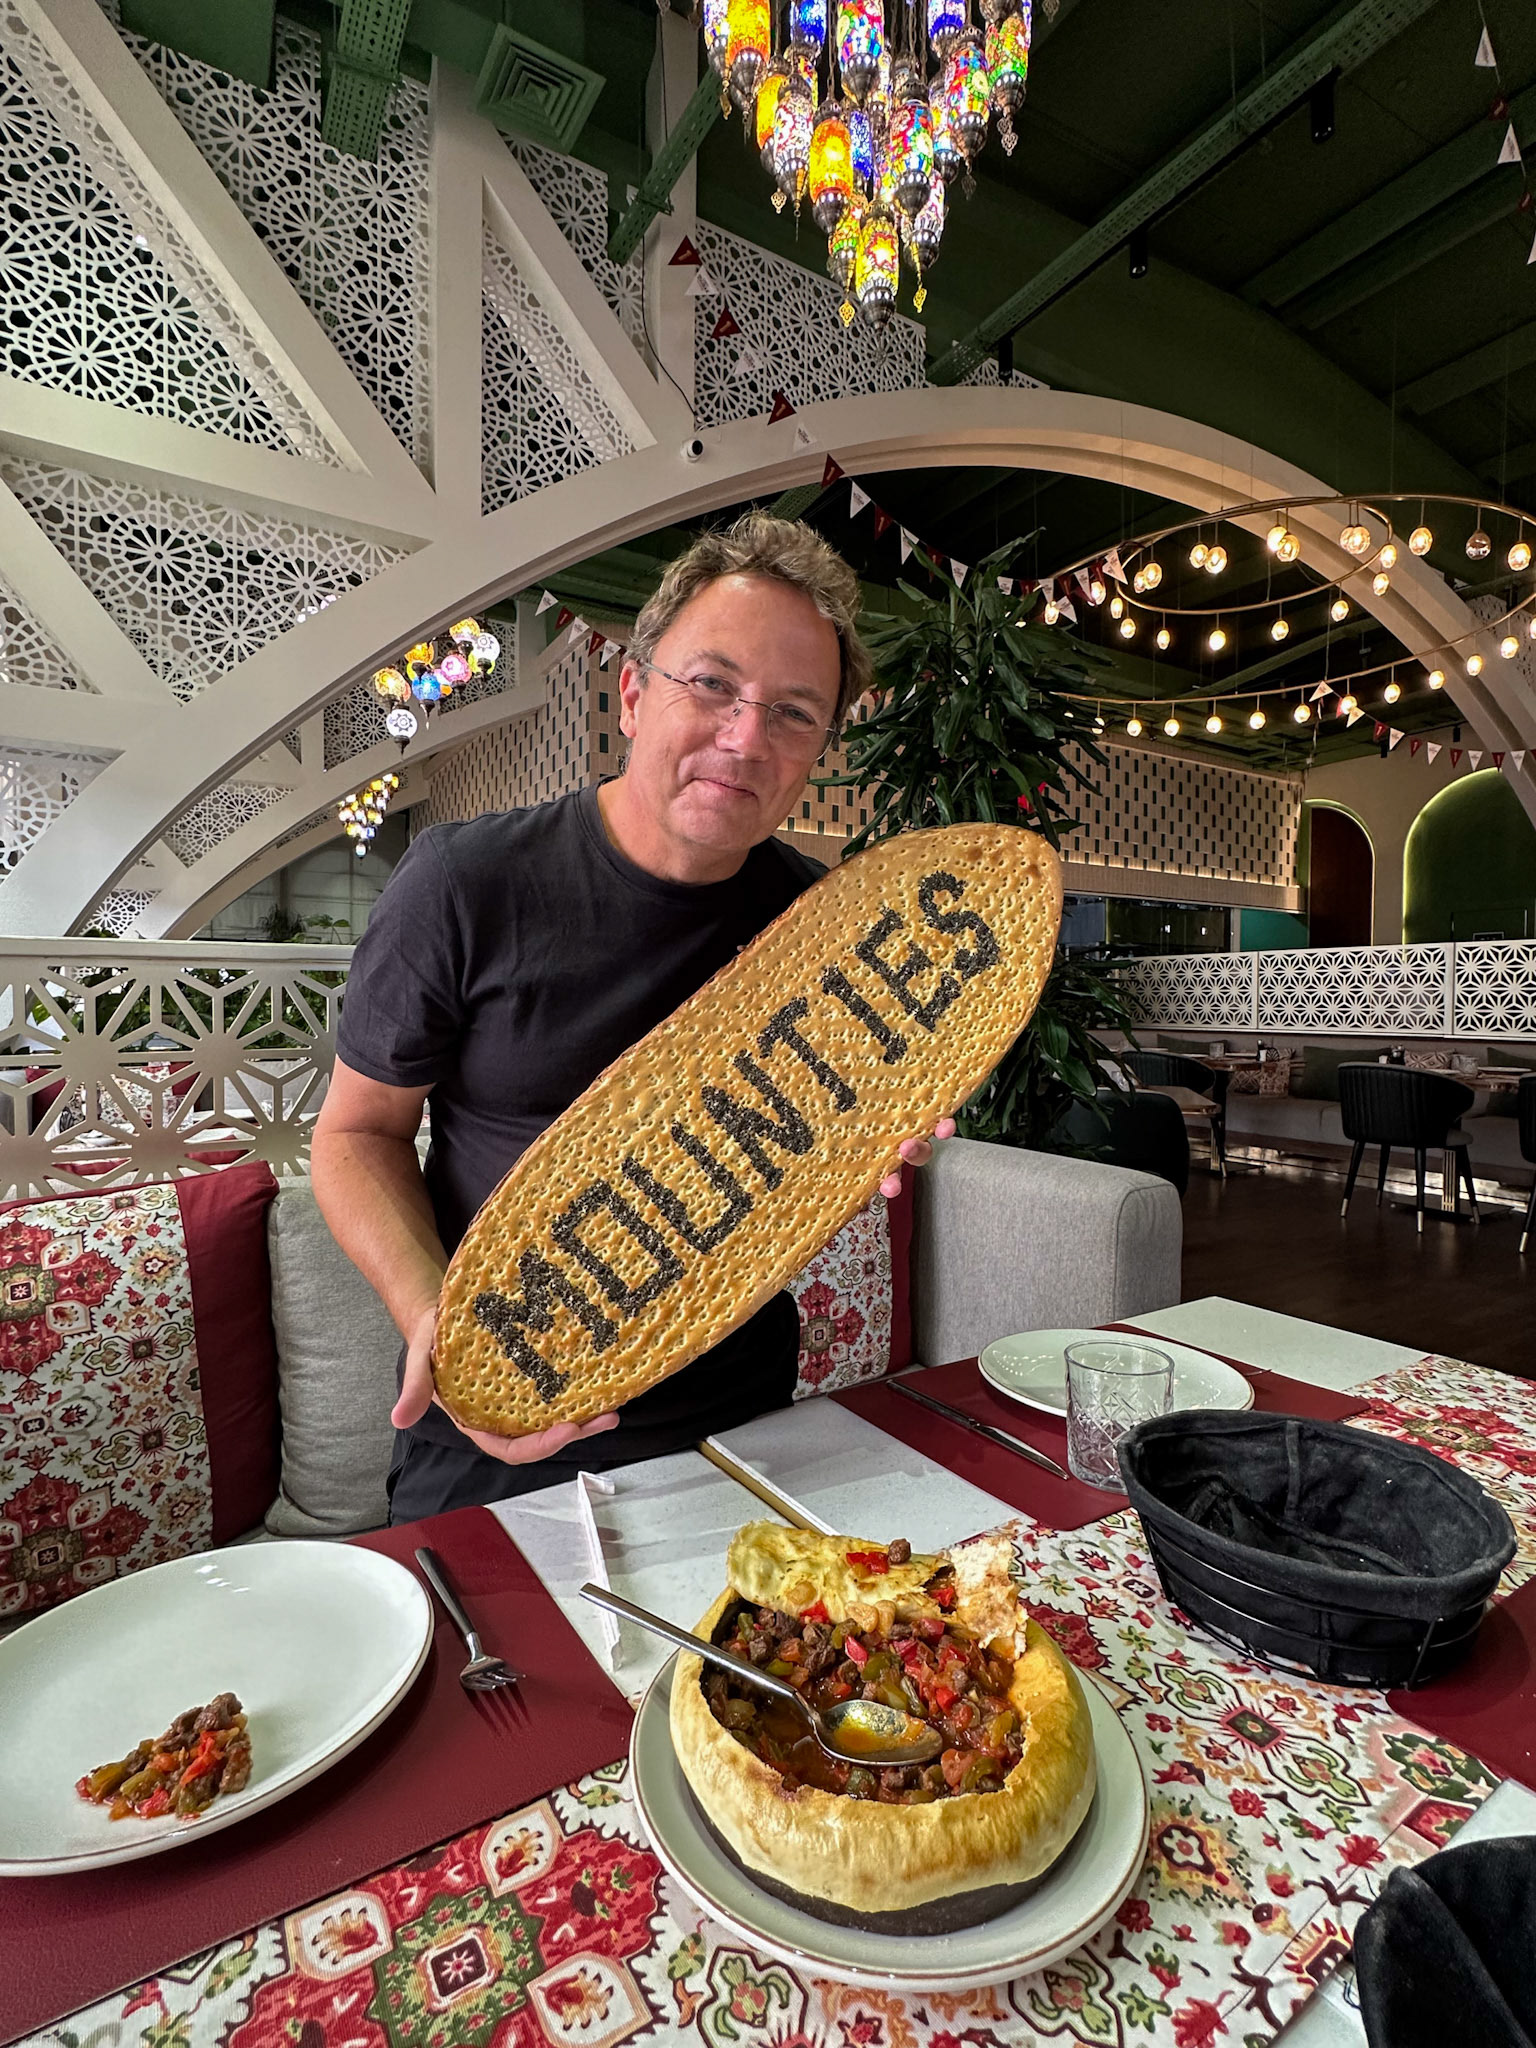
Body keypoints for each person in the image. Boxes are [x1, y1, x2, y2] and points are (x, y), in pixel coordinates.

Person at [311, 512, 953, 1523]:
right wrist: (432, 1313)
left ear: (819, 750)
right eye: (713, 685)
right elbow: (356, 1135)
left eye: (794, 713)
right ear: (635, 692)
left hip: (741, 1423)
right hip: (499, 1427)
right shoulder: (463, 883)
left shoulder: (822, 931)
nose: (745, 738)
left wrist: (871, 1135)